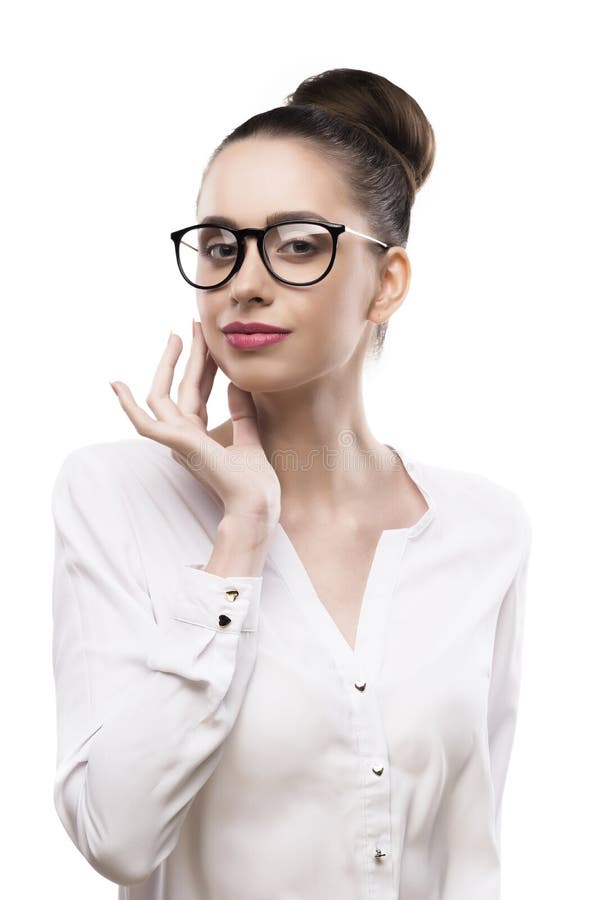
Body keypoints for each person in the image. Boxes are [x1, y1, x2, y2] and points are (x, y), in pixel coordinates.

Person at [50, 67, 532, 900]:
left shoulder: (486, 529)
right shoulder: (115, 495)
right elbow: (116, 838)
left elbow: (469, 848)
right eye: (218, 244)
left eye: (299, 243)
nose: (245, 280)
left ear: (387, 284)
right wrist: (240, 536)